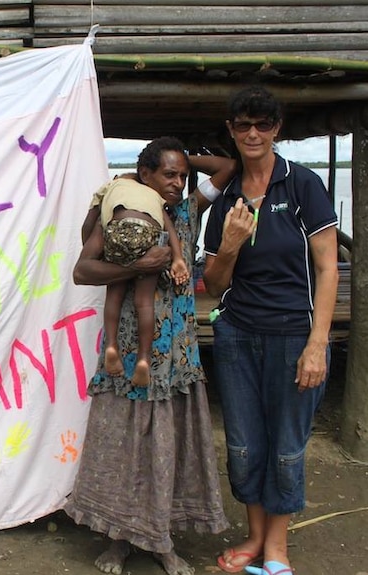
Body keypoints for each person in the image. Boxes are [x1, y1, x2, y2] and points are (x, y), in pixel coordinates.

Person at [65, 137, 236, 575]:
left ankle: (161, 542)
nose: (178, 183)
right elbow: (83, 271)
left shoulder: (189, 211)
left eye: (182, 176)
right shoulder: (122, 216)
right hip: (125, 360)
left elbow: (227, 165)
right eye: (168, 174)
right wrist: (139, 266)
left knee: (166, 453)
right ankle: (118, 541)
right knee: (124, 450)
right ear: (145, 175)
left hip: (175, 360)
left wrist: (178, 154)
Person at [202, 87, 338, 575]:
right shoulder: (227, 201)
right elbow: (213, 284)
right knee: (243, 442)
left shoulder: (301, 186)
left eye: (262, 124)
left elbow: (327, 268)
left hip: (294, 335)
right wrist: (232, 243)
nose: (253, 133)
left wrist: (318, 343)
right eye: (243, 125)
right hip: (237, 334)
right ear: (232, 132)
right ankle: (254, 538)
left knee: (285, 443)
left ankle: (276, 548)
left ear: (277, 129)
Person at [94, 178, 189, 386]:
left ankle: (111, 345)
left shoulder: (109, 186)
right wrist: (178, 258)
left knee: (114, 294)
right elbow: (169, 228)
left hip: (117, 228)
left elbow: (92, 218)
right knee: (144, 301)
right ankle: (144, 359)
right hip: (147, 230)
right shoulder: (152, 194)